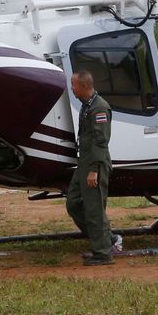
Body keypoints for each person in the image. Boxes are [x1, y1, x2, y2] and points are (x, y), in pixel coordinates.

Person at [66, 70, 121, 266]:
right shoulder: (87, 106)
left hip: (94, 164)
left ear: (83, 86)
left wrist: (94, 170)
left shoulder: (99, 109)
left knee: (94, 209)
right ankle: (106, 240)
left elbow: (101, 141)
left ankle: (103, 253)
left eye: (73, 85)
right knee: (73, 202)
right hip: (85, 163)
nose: (71, 89)